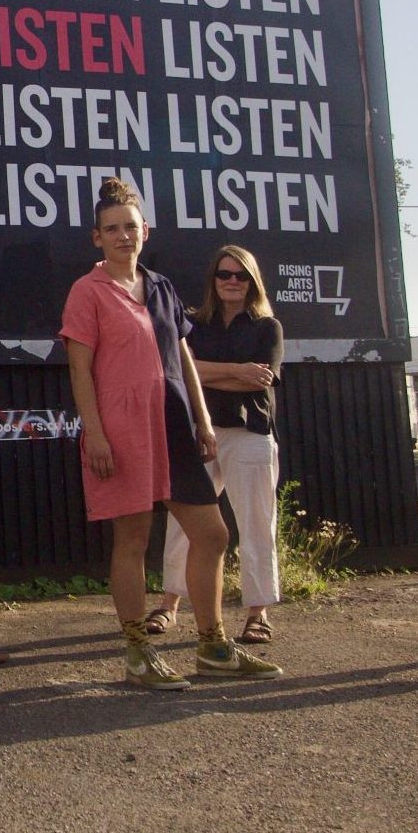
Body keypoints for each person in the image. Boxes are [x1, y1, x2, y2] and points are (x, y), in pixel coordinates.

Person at [59, 178, 282, 690]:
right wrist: (95, 435)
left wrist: (202, 420)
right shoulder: (86, 292)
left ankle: (214, 648)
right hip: (120, 430)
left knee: (213, 533)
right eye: (111, 229)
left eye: (130, 227)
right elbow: (79, 369)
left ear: (145, 230)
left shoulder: (160, 286)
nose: (122, 236)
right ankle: (138, 652)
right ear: (97, 237)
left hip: (176, 425)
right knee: (133, 538)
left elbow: (182, 357)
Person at [147, 245, 284, 645]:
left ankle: (257, 613)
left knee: (257, 523)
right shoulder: (194, 324)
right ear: (214, 280)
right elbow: (181, 369)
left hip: (250, 434)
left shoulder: (266, 327)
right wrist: (235, 371)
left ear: (252, 281)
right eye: (225, 274)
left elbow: (260, 380)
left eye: (241, 275)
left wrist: (208, 375)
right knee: (183, 523)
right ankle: (169, 604)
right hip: (201, 434)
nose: (232, 282)